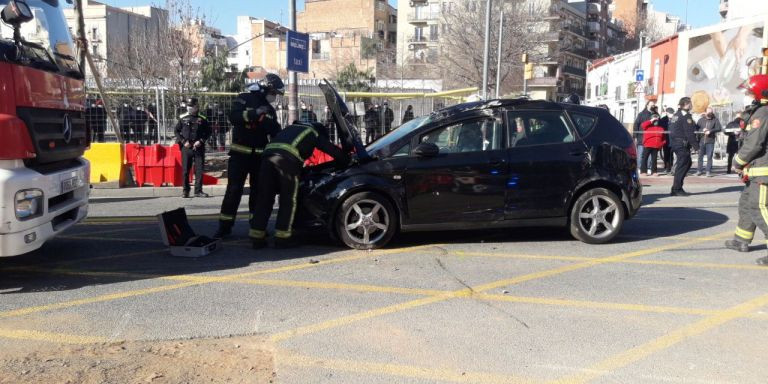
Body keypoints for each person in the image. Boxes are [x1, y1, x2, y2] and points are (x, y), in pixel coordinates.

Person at [248, 122, 350, 249]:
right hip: (286, 162)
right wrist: (347, 159)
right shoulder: (313, 133)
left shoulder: (291, 129)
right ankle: (282, 238)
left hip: (267, 159)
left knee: (264, 198)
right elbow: (331, 149)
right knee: (288, 199)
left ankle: (257, 238)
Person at [213, 74, 284, 239]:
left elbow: (275, 132)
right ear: (267, 87)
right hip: (240, 155)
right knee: (234, 191)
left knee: (258, 193)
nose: (275, 97)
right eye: (274, 92)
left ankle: (256, 227)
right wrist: (254, 113)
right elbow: (234, 117)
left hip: (259, 158)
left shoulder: (270, 110)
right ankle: (224, 227)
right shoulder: (244, 98)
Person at [726, 73, 768, 265]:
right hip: (755, 169)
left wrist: (738, 161)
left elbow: (754, 144)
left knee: (759, 208)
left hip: (763, 171)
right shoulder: (759, 111)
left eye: (750, 92)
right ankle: (741, 240)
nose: (747, 95)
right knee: (746, 204)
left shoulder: (763, 113)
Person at [174, 97, 211, 198]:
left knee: (199, 170)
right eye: (188, 106)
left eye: (191, 106)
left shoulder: (202, 118)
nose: (189, 108)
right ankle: (185, 191)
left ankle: (198, 191)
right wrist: (183, 141)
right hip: (186, 148)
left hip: (198, 147)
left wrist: (201, 141)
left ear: (196, 106)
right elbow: (176, 131)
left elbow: (208, 132)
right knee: (185, 170)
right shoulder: (182, 117)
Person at [669, 97, 700, 196]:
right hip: (681, 144)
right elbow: (689, 133)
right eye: (690, 103)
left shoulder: (676, 115)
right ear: (686, 104)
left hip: (676, 143)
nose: (691, 105)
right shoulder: (686, 116)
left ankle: (676, 187)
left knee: (686, 163)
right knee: (682, 165)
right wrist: (696, 147)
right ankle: (676, 189)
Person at [695, 107, 722, 177]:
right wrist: (702, 129)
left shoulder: (715, 120)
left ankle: (708, 171)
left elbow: (719, 128)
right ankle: (699, 170)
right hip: (701, 140)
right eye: (708, 112)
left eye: (711, 112)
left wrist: (711, 131)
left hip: (710, 141)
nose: (710, 113)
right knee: (700, 156)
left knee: (709, 156)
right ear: (705, 112)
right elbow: (696, 128)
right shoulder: (701, 120)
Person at [633, 100, 657, 169]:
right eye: (651, 105)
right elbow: (636, 124)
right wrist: (635, 136)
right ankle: (639, 167)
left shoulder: (656, 114)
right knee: (640, 154)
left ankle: (648, 167)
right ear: (647, 105)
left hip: (651, 138)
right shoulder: (641, 114)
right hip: (642, 137)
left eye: (653, 105)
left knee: (649, 155)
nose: (653, 106)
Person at [659, 107, 674, 173]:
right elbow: (661, 129)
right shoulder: (663, 119)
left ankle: (671, 166)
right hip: (666, 139)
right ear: (667, 113)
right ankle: (667, 167)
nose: (671, 114)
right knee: (666, 154)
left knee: (672, 154)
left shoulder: (675, 119)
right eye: (670, 113)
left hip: (673, 139)